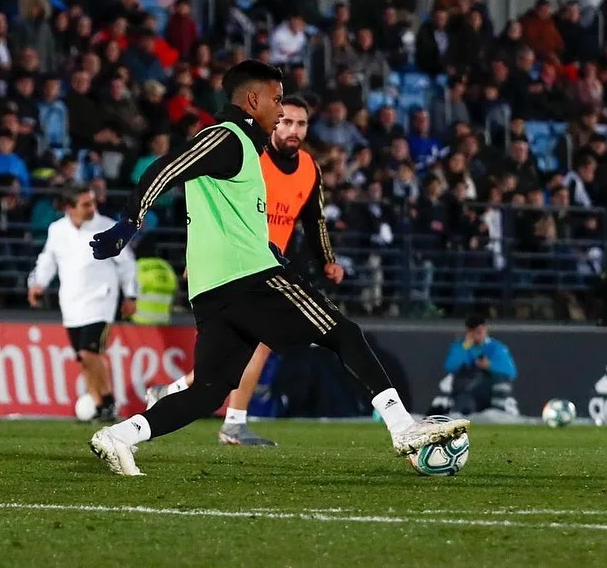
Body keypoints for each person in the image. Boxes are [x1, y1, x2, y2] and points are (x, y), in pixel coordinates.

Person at [87, 60, 469, 476]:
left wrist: (266, 243)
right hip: (250, 277)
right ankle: (403, 428)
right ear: (253, 100)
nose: (280, 107)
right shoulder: (226, 137)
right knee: (342, 332)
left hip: (215, 286)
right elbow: (167, 166)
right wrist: (129, 220)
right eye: (277, 98)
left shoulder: (245, 148)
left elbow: (228, 215)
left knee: (209, 391)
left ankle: (120, 436)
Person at [144, 95, 344, 446]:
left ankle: (181, 396)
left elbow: (314, 219)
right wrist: (195, 254)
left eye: (301, 123)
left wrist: (327, 258)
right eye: (287, 121)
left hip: (270, 263)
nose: (293, 129)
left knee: (247, 347)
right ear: (275, 122)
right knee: (251, 344)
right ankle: (227, 420)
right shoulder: (250, 157)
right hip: (234, 261)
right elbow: (205, 199)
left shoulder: (310, 168)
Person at [28, 186, 138, 422]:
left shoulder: (108, 226)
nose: (92, 208)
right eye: (86, 204)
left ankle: (107, 401)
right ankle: (99, 406)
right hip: (71, 303)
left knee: (90, 352)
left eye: (92, 203)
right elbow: (48, 260)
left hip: (101, 298)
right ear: (69, 207)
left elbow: (127, 264)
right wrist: (38, 283)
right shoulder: (57, 230)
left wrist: (130, 295)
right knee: (83, 357)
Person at [428, 314, 518, 417]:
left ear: (485, 330)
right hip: (467, 390)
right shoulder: (461, 346)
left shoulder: (497, 347)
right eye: (473, 332)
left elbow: (511, 372)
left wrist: (489, 366)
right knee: (464, 403)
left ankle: (499, 413)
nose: (477, 335)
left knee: (502, 384)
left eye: (479, 332)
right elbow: (450, 366)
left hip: (489, 389)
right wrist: (466, 346)